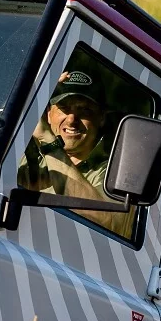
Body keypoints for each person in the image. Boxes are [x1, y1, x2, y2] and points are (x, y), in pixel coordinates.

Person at [18, 68, 114, 229]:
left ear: (101, 118)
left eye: (84, 110)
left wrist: (48, 140)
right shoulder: (23, 153)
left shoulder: (111, 173)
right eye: (64, 108)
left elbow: (103, 220)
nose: (71, 120)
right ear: (48, 114)